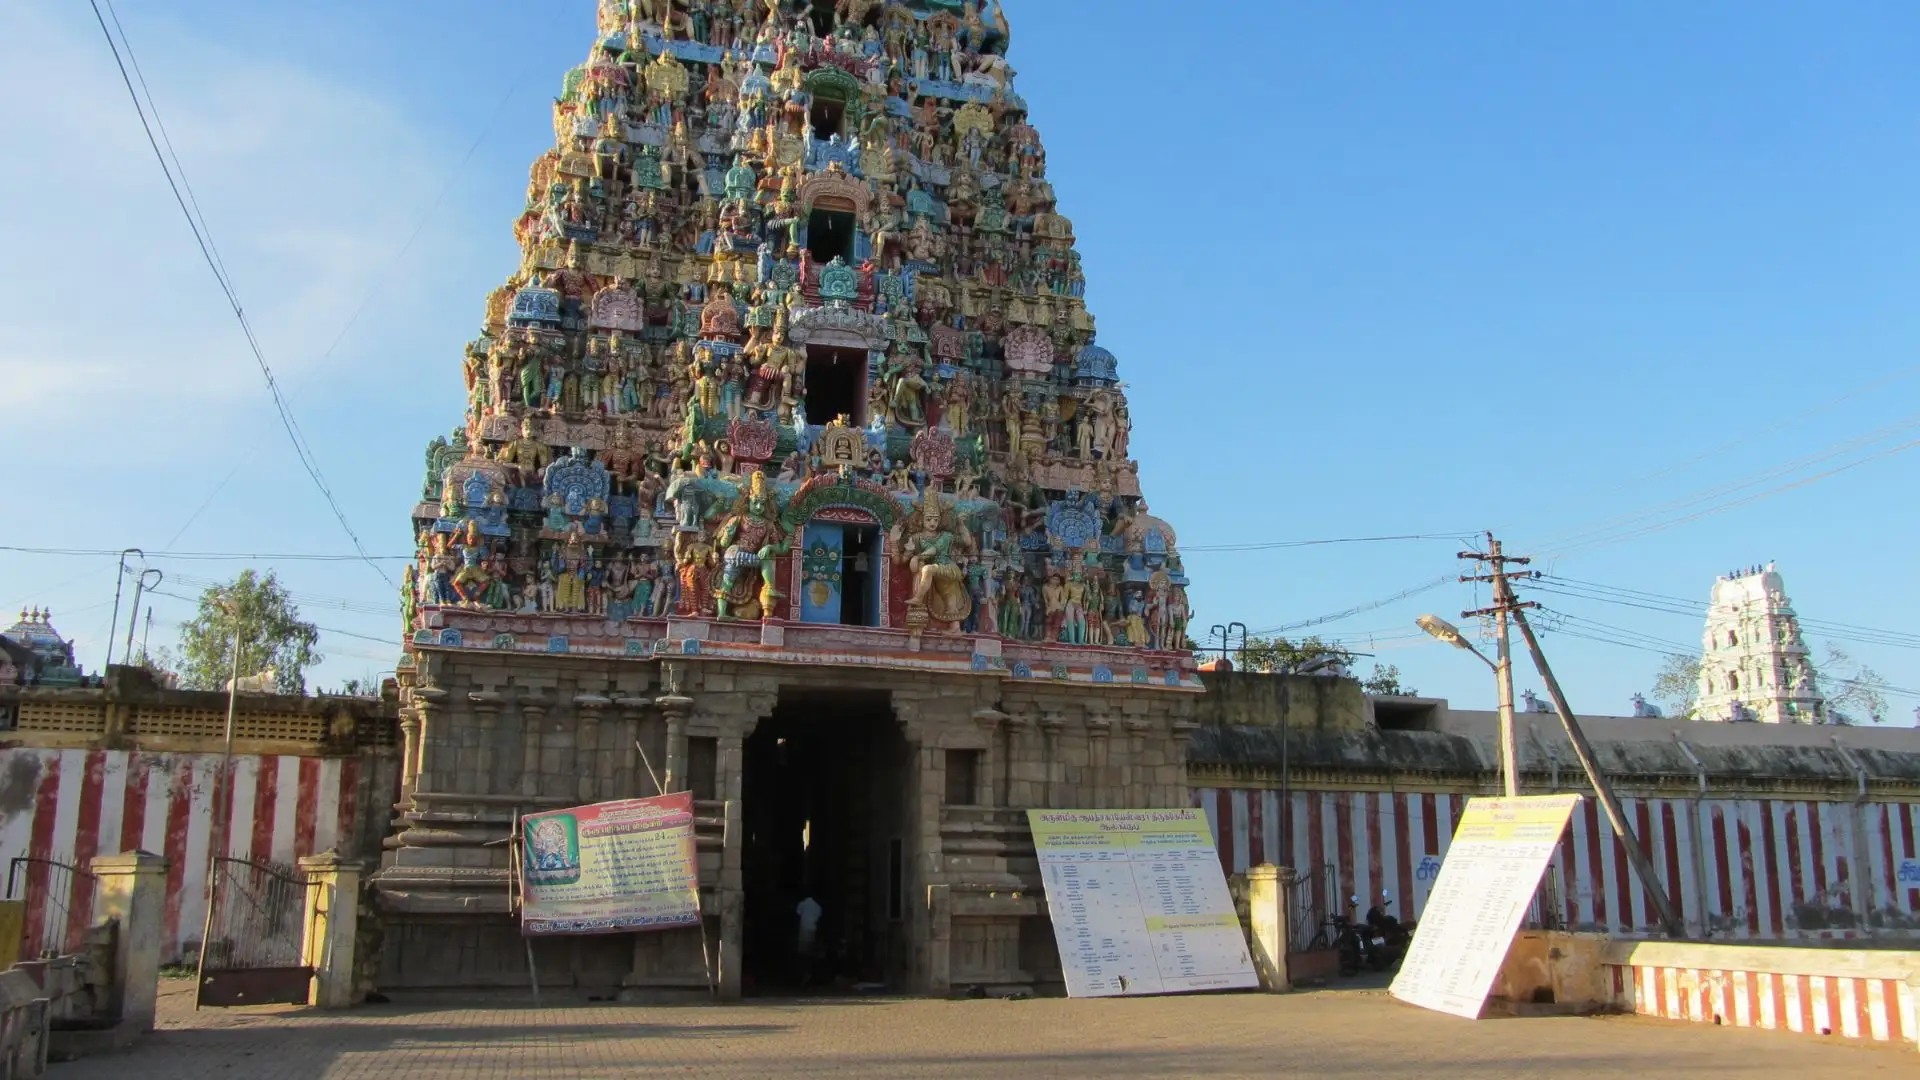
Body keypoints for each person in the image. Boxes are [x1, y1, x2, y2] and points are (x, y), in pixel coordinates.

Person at [795, 894, 823, 985]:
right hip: (812, 931)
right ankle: (809, 976)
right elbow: (819, 919)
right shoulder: (817, 906)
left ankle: (806, 976)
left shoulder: (802, 904)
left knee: (804, 954)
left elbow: (798, 915)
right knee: (811, 954)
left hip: (803, 931)